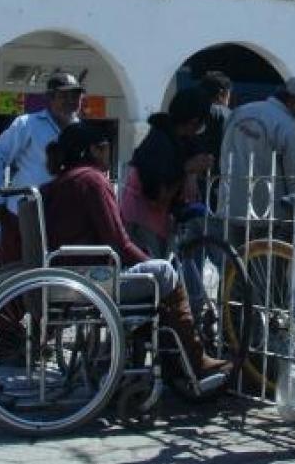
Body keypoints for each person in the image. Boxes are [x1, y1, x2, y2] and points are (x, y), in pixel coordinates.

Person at [42, 120, 229, 380]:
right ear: (95, 150)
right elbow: (118, 242)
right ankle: (194, 358)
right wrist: (148, 262)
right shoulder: (92, 181)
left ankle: (153, 360)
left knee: (155, 277)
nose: (110, 153)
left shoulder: (58, 183)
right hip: (93, 280)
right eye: (107, 148)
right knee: (164, 272)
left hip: (67, 276)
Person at [0, 71, 83, 356]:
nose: (72, 101)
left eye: (76, 95)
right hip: (23, 212)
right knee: (13, 276)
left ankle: (42, 337)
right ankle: (6, 339)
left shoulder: (78, 128)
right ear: (50, 97)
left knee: (53, 278)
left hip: (60, 216)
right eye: (65, 95)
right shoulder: (27, 124)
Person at [120, 86, 213, 256]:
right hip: (142, 223)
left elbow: (199, 152)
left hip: (156, 222)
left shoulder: (176, 137)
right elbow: (156, 196)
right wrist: (186, 170)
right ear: (194, 121)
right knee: (151, 274)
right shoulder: (160, 144)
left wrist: (190, 174)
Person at [218, 78, 295, 227]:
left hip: (228, 210)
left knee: (231, 250)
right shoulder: (288, 126)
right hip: (267, 219)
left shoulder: (240, 111)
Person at [197, 71, 233, 177]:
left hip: (197, 172)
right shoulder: (226, 114)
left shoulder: (193, 111)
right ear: (222, 94)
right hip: (220, 173)